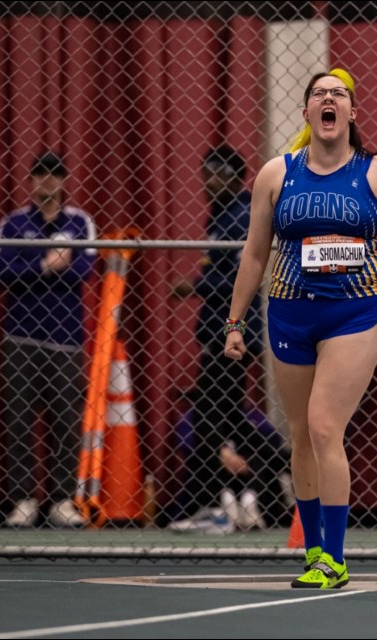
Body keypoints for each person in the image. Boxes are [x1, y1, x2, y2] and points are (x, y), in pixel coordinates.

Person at [223, 68, 377, 589]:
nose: (328, 101)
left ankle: (335, 557)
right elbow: (256, 253)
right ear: (307, 114)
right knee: (301, 434)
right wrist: (234, 321)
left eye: (338, 95)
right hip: (289, 312)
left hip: (354, 312)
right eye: (318, 95)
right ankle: (312, 553)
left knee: (326, 426)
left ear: (352, 113)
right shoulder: (275, 175)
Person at [168, 146, 274, 534]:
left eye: (217, 173)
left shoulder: (242, 214)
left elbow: (240, 276)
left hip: (232, 333)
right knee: (225, 418)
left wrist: (193, 285)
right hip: (216, 330)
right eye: (205, 172)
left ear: (234, 176)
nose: (208, 181)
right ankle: (243, 490)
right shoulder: (220, 215)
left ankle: (219, 503)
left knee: (212, 420)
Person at [0, 151, 96, 528]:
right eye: (40, 174)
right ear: (30, 180)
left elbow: (83, 269)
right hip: (20, 335)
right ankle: (22, 498)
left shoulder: (79, 223)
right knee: (18, 418)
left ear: (65, 179)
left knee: (65, 421)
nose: (47, 181)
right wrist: (44, 264)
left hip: (65, 338)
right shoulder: (14, 223)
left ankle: (61, 499)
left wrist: (35, 271)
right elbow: (2, 271)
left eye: (54, 174)